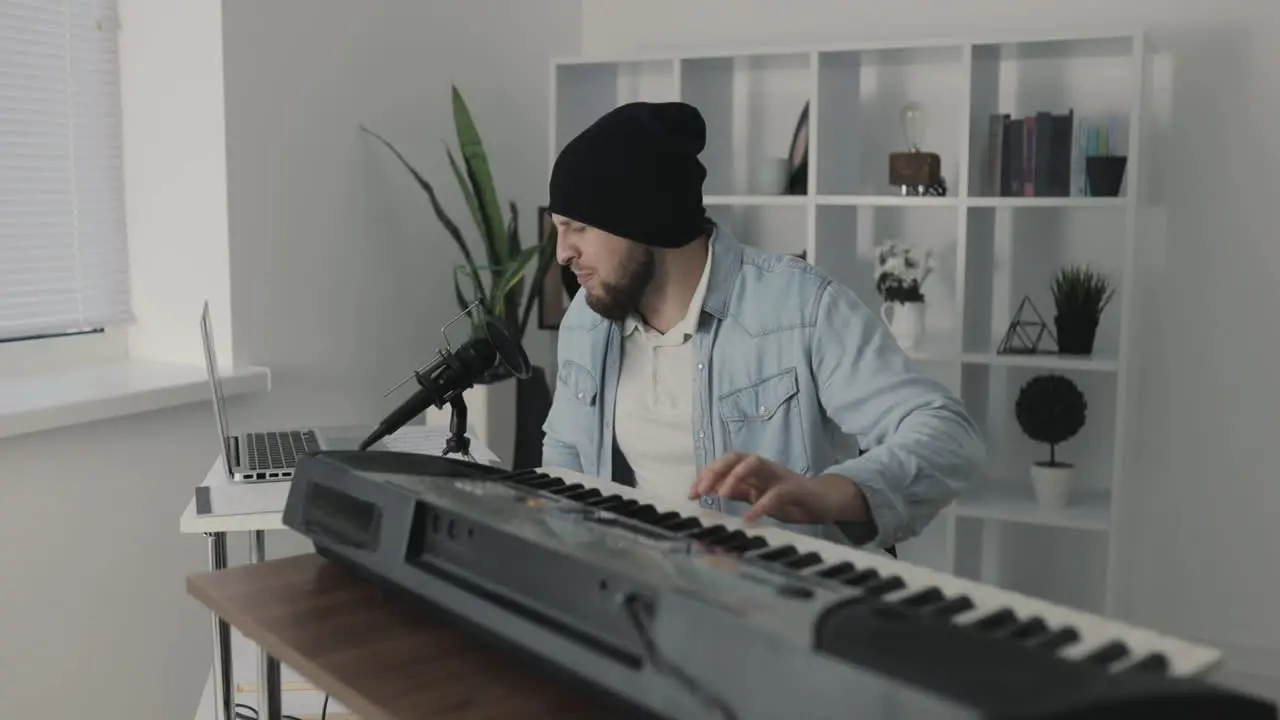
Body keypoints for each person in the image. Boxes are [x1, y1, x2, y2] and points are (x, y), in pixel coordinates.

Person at [540, 101, 984, 551]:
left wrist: (833, 493)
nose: (562, 253)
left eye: (577, 227)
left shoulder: (800, 308)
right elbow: (566, 456)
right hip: (642, 595)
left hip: (782, 599)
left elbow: (947, 433)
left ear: (643, 216)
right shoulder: (587, 319)